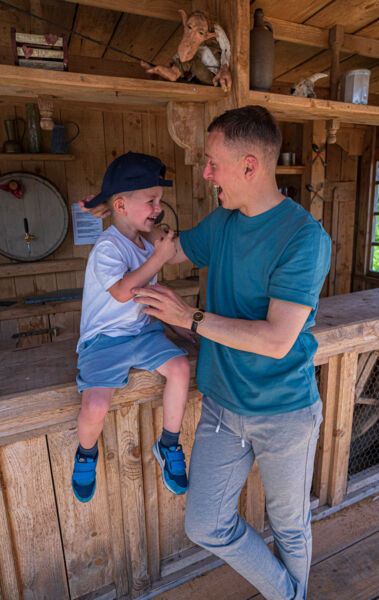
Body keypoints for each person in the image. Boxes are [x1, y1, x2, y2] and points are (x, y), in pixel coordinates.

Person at [84, 106, 331, 600]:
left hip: (284, 411)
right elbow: (171, 251)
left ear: (249, 165)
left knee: (290, 528)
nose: (205, 173)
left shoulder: (304, 238)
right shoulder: (223, 222)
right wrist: (131, 216)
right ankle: (291, 594)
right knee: (205, 524)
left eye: (212, 162)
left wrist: (187, 317)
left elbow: (277, 339)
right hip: (222, 404)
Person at [72, 152, 190, 504]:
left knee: (181, 369)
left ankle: (168, 443)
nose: (158, 207)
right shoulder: (108, 246)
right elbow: (124, 292)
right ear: (121, 205)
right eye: (150, 201)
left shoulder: (144, 237)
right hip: (104, 341)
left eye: (160, 200)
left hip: (141, 331)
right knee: (94, 406)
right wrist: (159, 257)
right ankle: (86, 453)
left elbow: (158, 241)